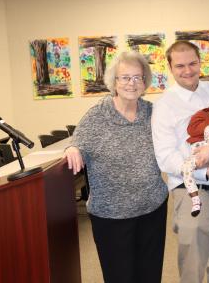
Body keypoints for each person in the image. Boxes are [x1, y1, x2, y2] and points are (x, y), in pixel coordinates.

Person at [63, 51, 168, 283]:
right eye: (125, 78)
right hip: (112, 217)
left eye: (137, 77)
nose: (132, 83)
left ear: (145, 81)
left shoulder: (153, 113)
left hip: (152, 209)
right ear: (114, 82)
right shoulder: (98, 116)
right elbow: (77, 143)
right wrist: (73, 149)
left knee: (150, 276)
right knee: (120, 277)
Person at [152, 40, 209, 283]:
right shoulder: (164, 106)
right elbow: (165, 157)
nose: (188, 70)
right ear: (170, 67)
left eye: (193, 63)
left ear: (200, 62)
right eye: (180, 65)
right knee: (192, 268)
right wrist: (202, 171)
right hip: (191, 191)